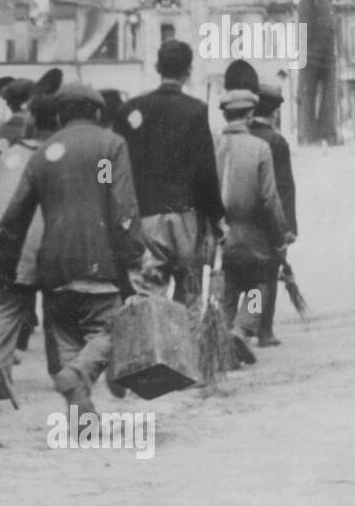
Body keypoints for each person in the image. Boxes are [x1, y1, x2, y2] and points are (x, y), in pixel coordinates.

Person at [0, 83, 144, 421]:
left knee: (67, 342)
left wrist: (3, 269)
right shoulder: (110, 146)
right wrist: (133, 254)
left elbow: (14, 218)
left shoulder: (44, 152)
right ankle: (78, 377)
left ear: (61, 114)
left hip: (54, 266)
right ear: (98, 112)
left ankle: (83, 419)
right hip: (99, 259)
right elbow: (121, 206)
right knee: (112, 331)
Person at [114, 40, 224, 307]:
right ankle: (187, 347)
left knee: (148, 296)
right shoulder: (196, 111)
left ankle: (153, 348)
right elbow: (205, 171)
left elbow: (113, 165)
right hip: (185, 216)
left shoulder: (131, 110)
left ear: (156, 68)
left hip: (146, 216)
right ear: (188, 71)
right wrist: (216, 216)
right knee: (190, 295)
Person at [0, 91, 60, 391]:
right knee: (57, 312)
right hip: (56, 248)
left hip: (14, 246)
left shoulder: (10, 155)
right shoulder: (65, 154)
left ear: (33, 120)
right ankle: (62, 369)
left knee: (8, 308)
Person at [213, 89, 287, 364]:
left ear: (225, 115)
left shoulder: (214, 145)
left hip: (221, 232)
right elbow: (270, 199)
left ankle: (222, 341)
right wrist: (279, 235)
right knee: (260, 284)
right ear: (249, 115)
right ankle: (242, 329)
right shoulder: (259, 148)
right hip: (252, 231)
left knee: (228, 287)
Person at [246, 84, 297, 347]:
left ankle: (248, 324)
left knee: (249, 274)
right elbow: (285, 187)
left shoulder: (243, 135)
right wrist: (289, 227)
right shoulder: (277, 141)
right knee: (269, 272)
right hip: (271, 218)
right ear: (275, 111)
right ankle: (264, 329)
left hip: (244, 216)